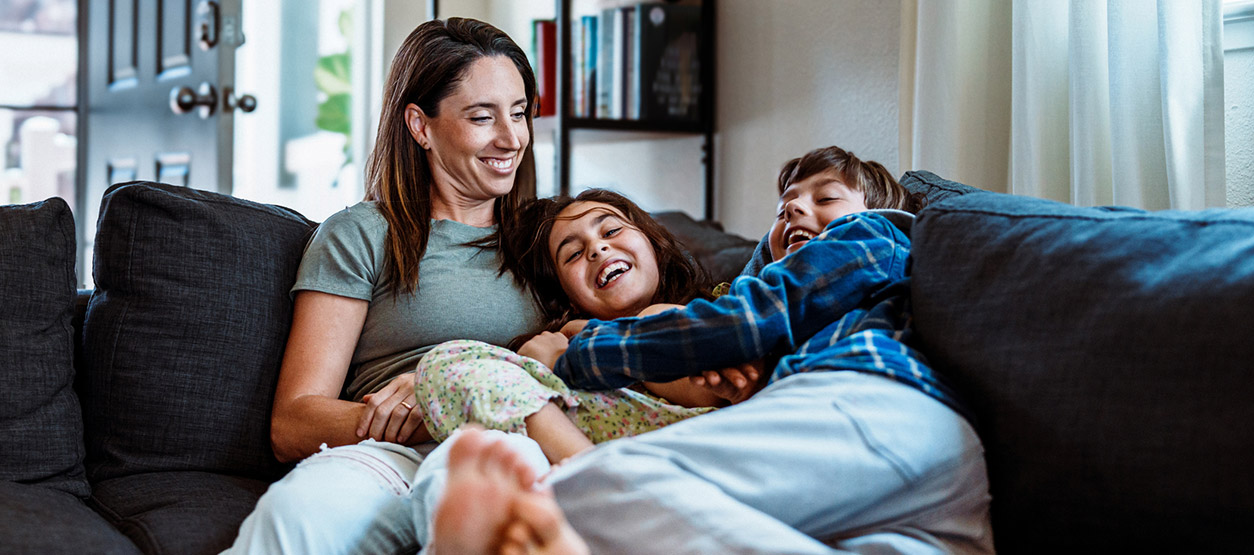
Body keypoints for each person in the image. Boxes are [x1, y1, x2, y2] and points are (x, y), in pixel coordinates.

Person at [426, 146, 993, 554]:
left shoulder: (872, 236)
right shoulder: (780, 302)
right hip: (912, 484)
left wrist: (572, 354)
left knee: (591, 486)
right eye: (784, 205)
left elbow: (743, 321)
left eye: (825, 197)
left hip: (874, 404)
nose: (795, 209)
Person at [225, 17, 550, 554]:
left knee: (482, 507)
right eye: (481, 117)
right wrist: (422, 412)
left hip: (501, 441)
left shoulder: (549, 238)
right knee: (293, 518)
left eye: (519, 113)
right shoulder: (361, 234)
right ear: (420, 125)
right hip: (381, 452)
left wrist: (455, 399)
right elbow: (293, 420)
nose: (511, 138)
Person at [413, 189, 761, 464]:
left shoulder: (726, 302)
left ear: (653, 244)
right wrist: (544, 363)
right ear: (567, 297)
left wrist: (585, 347)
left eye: (610, 230)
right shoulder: (552, 353)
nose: (597, 248)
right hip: (604, 454)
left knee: (653, 317)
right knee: (446, 361)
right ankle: (590, 471)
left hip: (698, 443)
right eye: (573, 254)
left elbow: (714, 384)